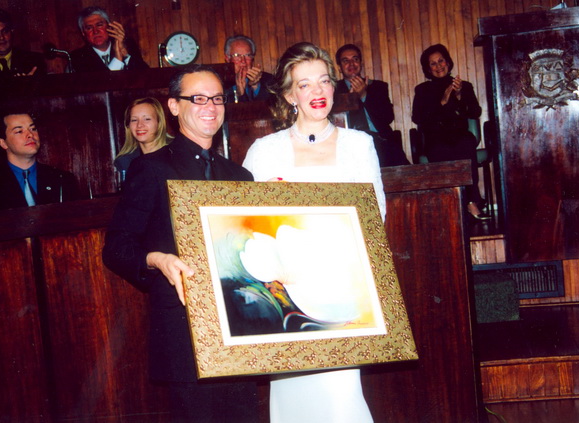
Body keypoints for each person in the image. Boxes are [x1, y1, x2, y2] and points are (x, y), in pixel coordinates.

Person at [102, 65, 258, 423]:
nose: (210, 107)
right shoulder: (151, 169)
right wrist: (157, 259)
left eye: (217, 98)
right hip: (183, 330)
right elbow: (117, 247)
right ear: (174, 106)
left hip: (239, 327)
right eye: (198, 98)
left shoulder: (240, 176)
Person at [243, 42, 380, 423]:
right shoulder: (264, 151)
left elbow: (376, 218)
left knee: (341, 398)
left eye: (324, 81)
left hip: (342, 292)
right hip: (288, 297)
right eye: (304, 85)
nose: (317, 91)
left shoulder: (359, 145)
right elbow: (248, 224)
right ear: (290, 95)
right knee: (295, 402)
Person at [412, 43, 490, 220]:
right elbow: (418, 118)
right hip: (435, 138)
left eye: (441, 61)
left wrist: (460, 96)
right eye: (433, 63)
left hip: (460, 136)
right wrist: (443, 101)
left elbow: (475, 112)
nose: (438, 66)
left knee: (465, 143)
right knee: (442, 149)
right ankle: (449, 207)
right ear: (428, 69)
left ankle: (471, 202)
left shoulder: (464, 86)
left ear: (448, 62)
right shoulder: (422, 90)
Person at [0, 109, 80, 212]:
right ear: (3, 143)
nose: (30, 135)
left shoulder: (62, 179)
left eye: (33, 129)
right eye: (19, 131)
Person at [335, 43, 409, 167]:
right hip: (349, 144)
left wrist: (364, 95)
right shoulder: (333, 89)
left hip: (380, 142)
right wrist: (351, 98)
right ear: (339, 68)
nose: (351, 64)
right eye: (345, 61)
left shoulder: (378, 87)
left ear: (361, 63)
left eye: (355, 59)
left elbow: (388, 118)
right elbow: (336, 121)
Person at [71, 6, 149, 73]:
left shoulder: (128, 44)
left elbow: (146, 75)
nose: (95, 31)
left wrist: (125, 55)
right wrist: (117, 60)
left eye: (99, 25)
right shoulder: (77, 57)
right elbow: (98, 83)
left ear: (109, 26)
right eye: (89, 28)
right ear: (83, 33)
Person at [0, 8, 46, 78]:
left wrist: (31, 83)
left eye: (5, 31)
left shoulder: (34, 61)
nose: (1, 37)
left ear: (12, 31)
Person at [114, 97, 170, 175]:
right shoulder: (125, 162)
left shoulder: (176, 153)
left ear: (159, 122)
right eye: (134, 120)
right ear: (128, 125)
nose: (139, 125)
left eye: (147, 119)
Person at [224, 35, 272, 102]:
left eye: (248, 55)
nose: (243, 61)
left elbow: (271, 105)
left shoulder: (269, 80)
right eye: (237, 55)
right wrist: (239, 95)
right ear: (228, 58)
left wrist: (255, 86)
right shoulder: (221, 83)